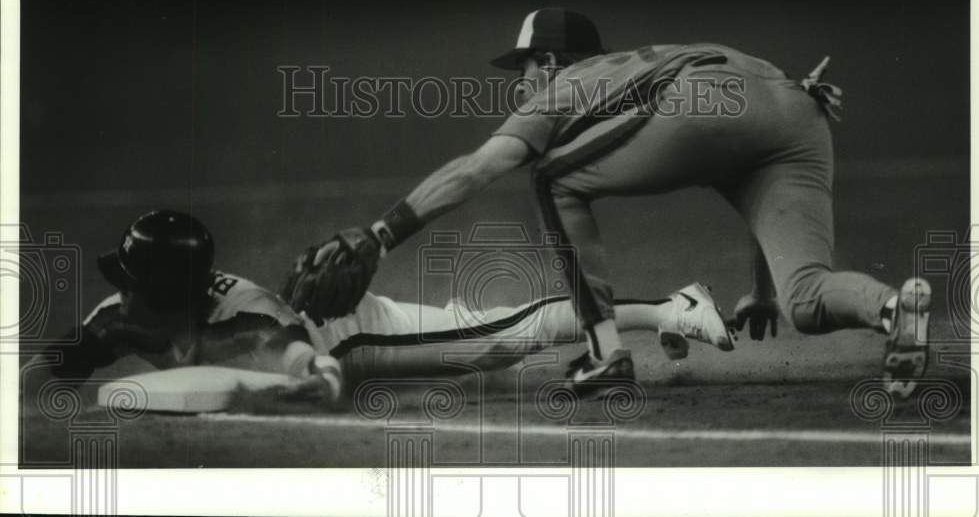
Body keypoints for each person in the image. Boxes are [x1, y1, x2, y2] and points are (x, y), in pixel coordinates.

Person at [336, 7, 931, 399]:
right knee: (805, 299)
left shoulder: (566, 83)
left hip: (699, 96)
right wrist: (764, 291)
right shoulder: (631, 69)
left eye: (524, 67)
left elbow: (478, 169)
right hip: (797, 105)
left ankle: (607, 355)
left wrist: (381, 234)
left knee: (551, 180)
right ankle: (893, 309)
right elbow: (749, 151)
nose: (520, 82)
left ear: (550, 62)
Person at [22, 210, 733, 408]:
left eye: (135, 277)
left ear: (164, 285)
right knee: (504, 334)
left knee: (503, 335)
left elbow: (318, 369)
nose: (122, 287)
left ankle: (673, 307)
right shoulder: (121, 315)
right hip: (333, 344)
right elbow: (60, 357)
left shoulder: (250, 316)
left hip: (361, 338)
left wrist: (305, 384)